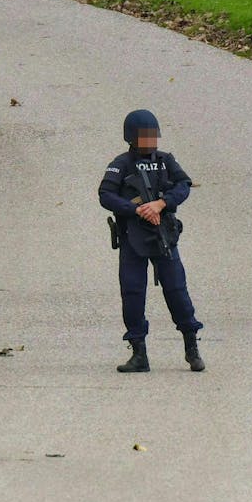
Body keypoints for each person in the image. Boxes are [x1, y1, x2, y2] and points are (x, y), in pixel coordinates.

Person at [98, 109, 205, 373]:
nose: (150, 141)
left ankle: (192, 348)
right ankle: (139, 354)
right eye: (144, 136)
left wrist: (160, 203)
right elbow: (105, 194)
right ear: (131, 137)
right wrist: (135, 209)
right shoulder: (121, 163)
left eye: (153, 136)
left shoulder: (166, 161)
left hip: (163, 236)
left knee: (177, 291)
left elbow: (183, 185)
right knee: (133, 293)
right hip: (132, 237)